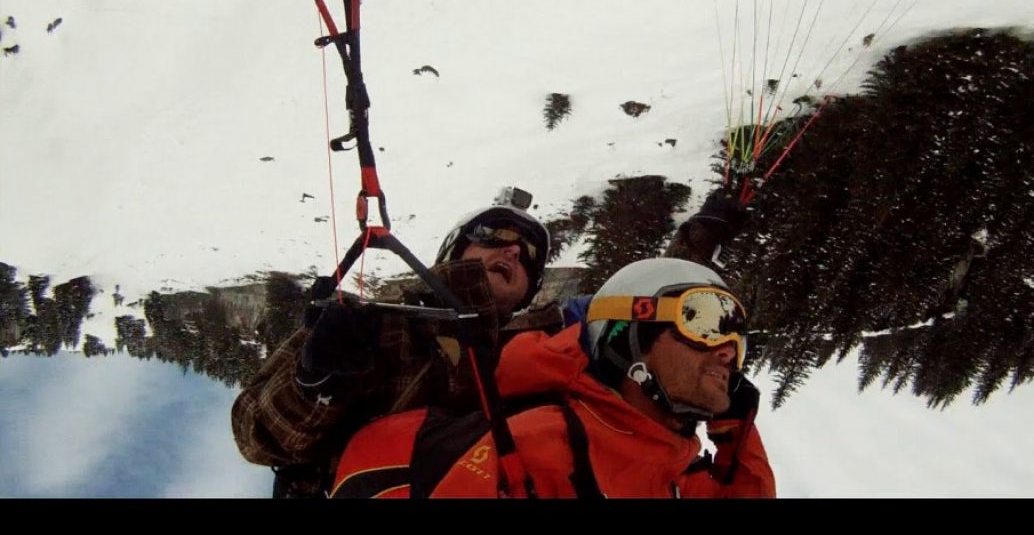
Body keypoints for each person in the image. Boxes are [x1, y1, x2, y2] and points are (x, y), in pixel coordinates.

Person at [232, 188, 748, 497]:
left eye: (526, 257)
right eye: (492, 237)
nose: (511, 254)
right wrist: (315, 380)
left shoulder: (545, 336)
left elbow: (637, 308)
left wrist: (701, 236)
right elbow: (258, 436)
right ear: (454, 249)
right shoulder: (375, 323)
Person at [330, 257, 774, 498]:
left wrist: (739, 434)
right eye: (707, 321)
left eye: (737, 335)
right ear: (630, 338)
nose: (728, 348)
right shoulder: (541, 450)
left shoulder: (676, 459)